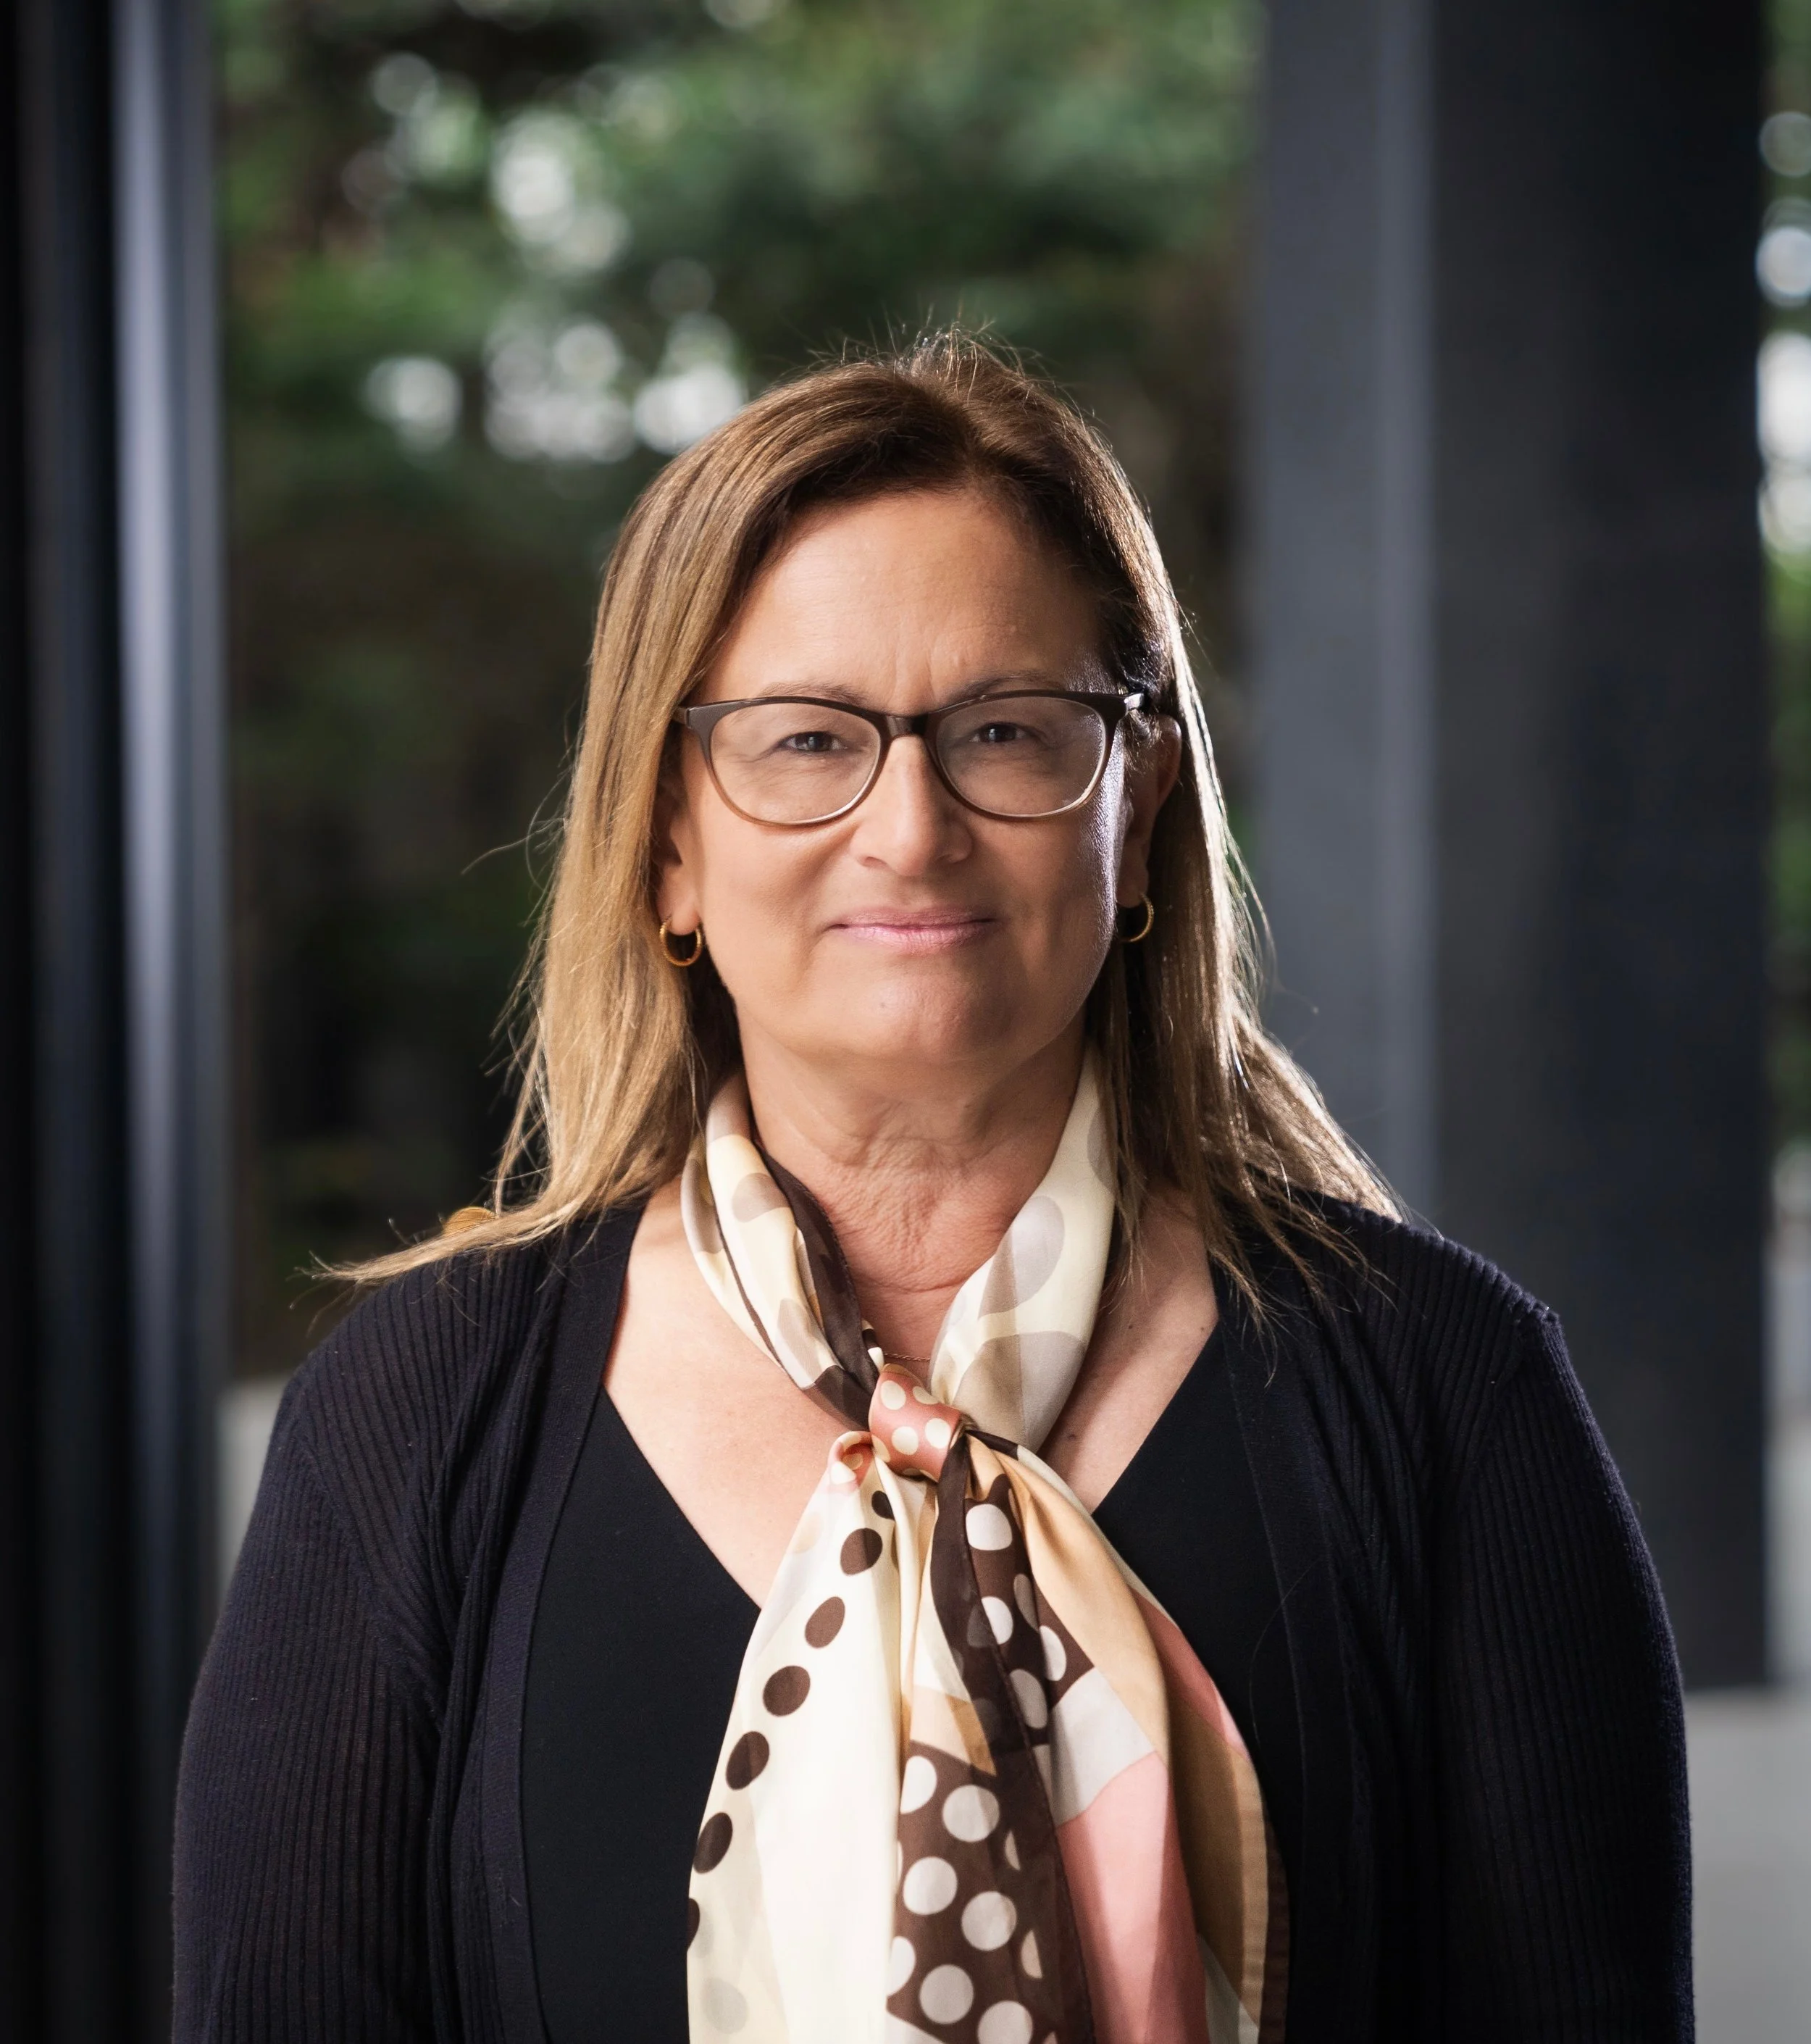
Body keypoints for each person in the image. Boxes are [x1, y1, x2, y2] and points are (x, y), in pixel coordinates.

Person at [174, 334, 1690, 2044]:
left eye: (1004, 729)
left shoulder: (1445, 1393)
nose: (909, 828)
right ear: (668, 839)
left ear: (1139, 802)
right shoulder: (412, 1417)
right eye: (808, 741)